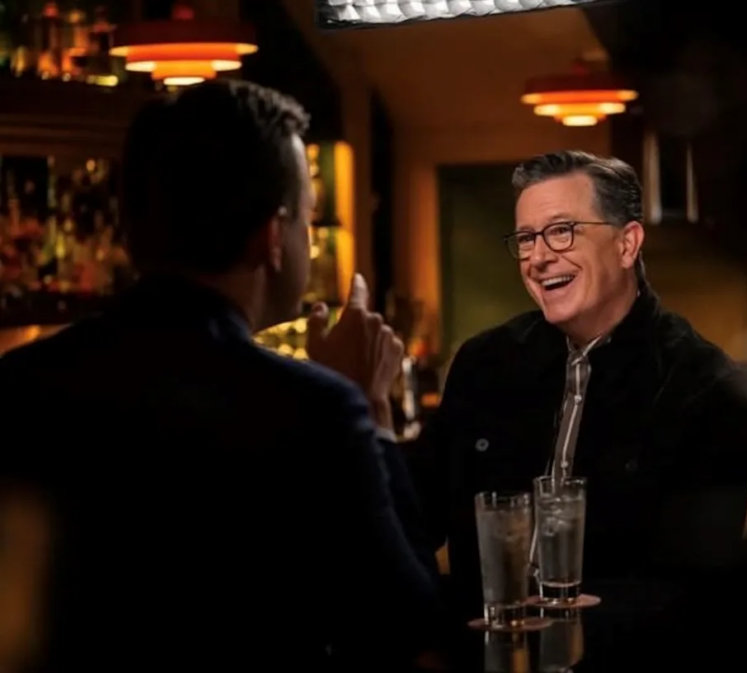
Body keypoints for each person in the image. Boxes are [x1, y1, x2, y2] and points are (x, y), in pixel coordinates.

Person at [0, 80, 440, 671]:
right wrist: (373, 408)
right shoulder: (310, 410)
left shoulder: (19, 384)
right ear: (272, 238)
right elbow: (408, 627)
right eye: (306, 218)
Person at [403, 150, 747, 633]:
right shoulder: (483, 363)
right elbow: (410, 522)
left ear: (627, 244)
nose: (539, 258)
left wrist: (575, 620)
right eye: (526, 238)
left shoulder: (704, 386)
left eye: (562, 231)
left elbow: (695, 587)